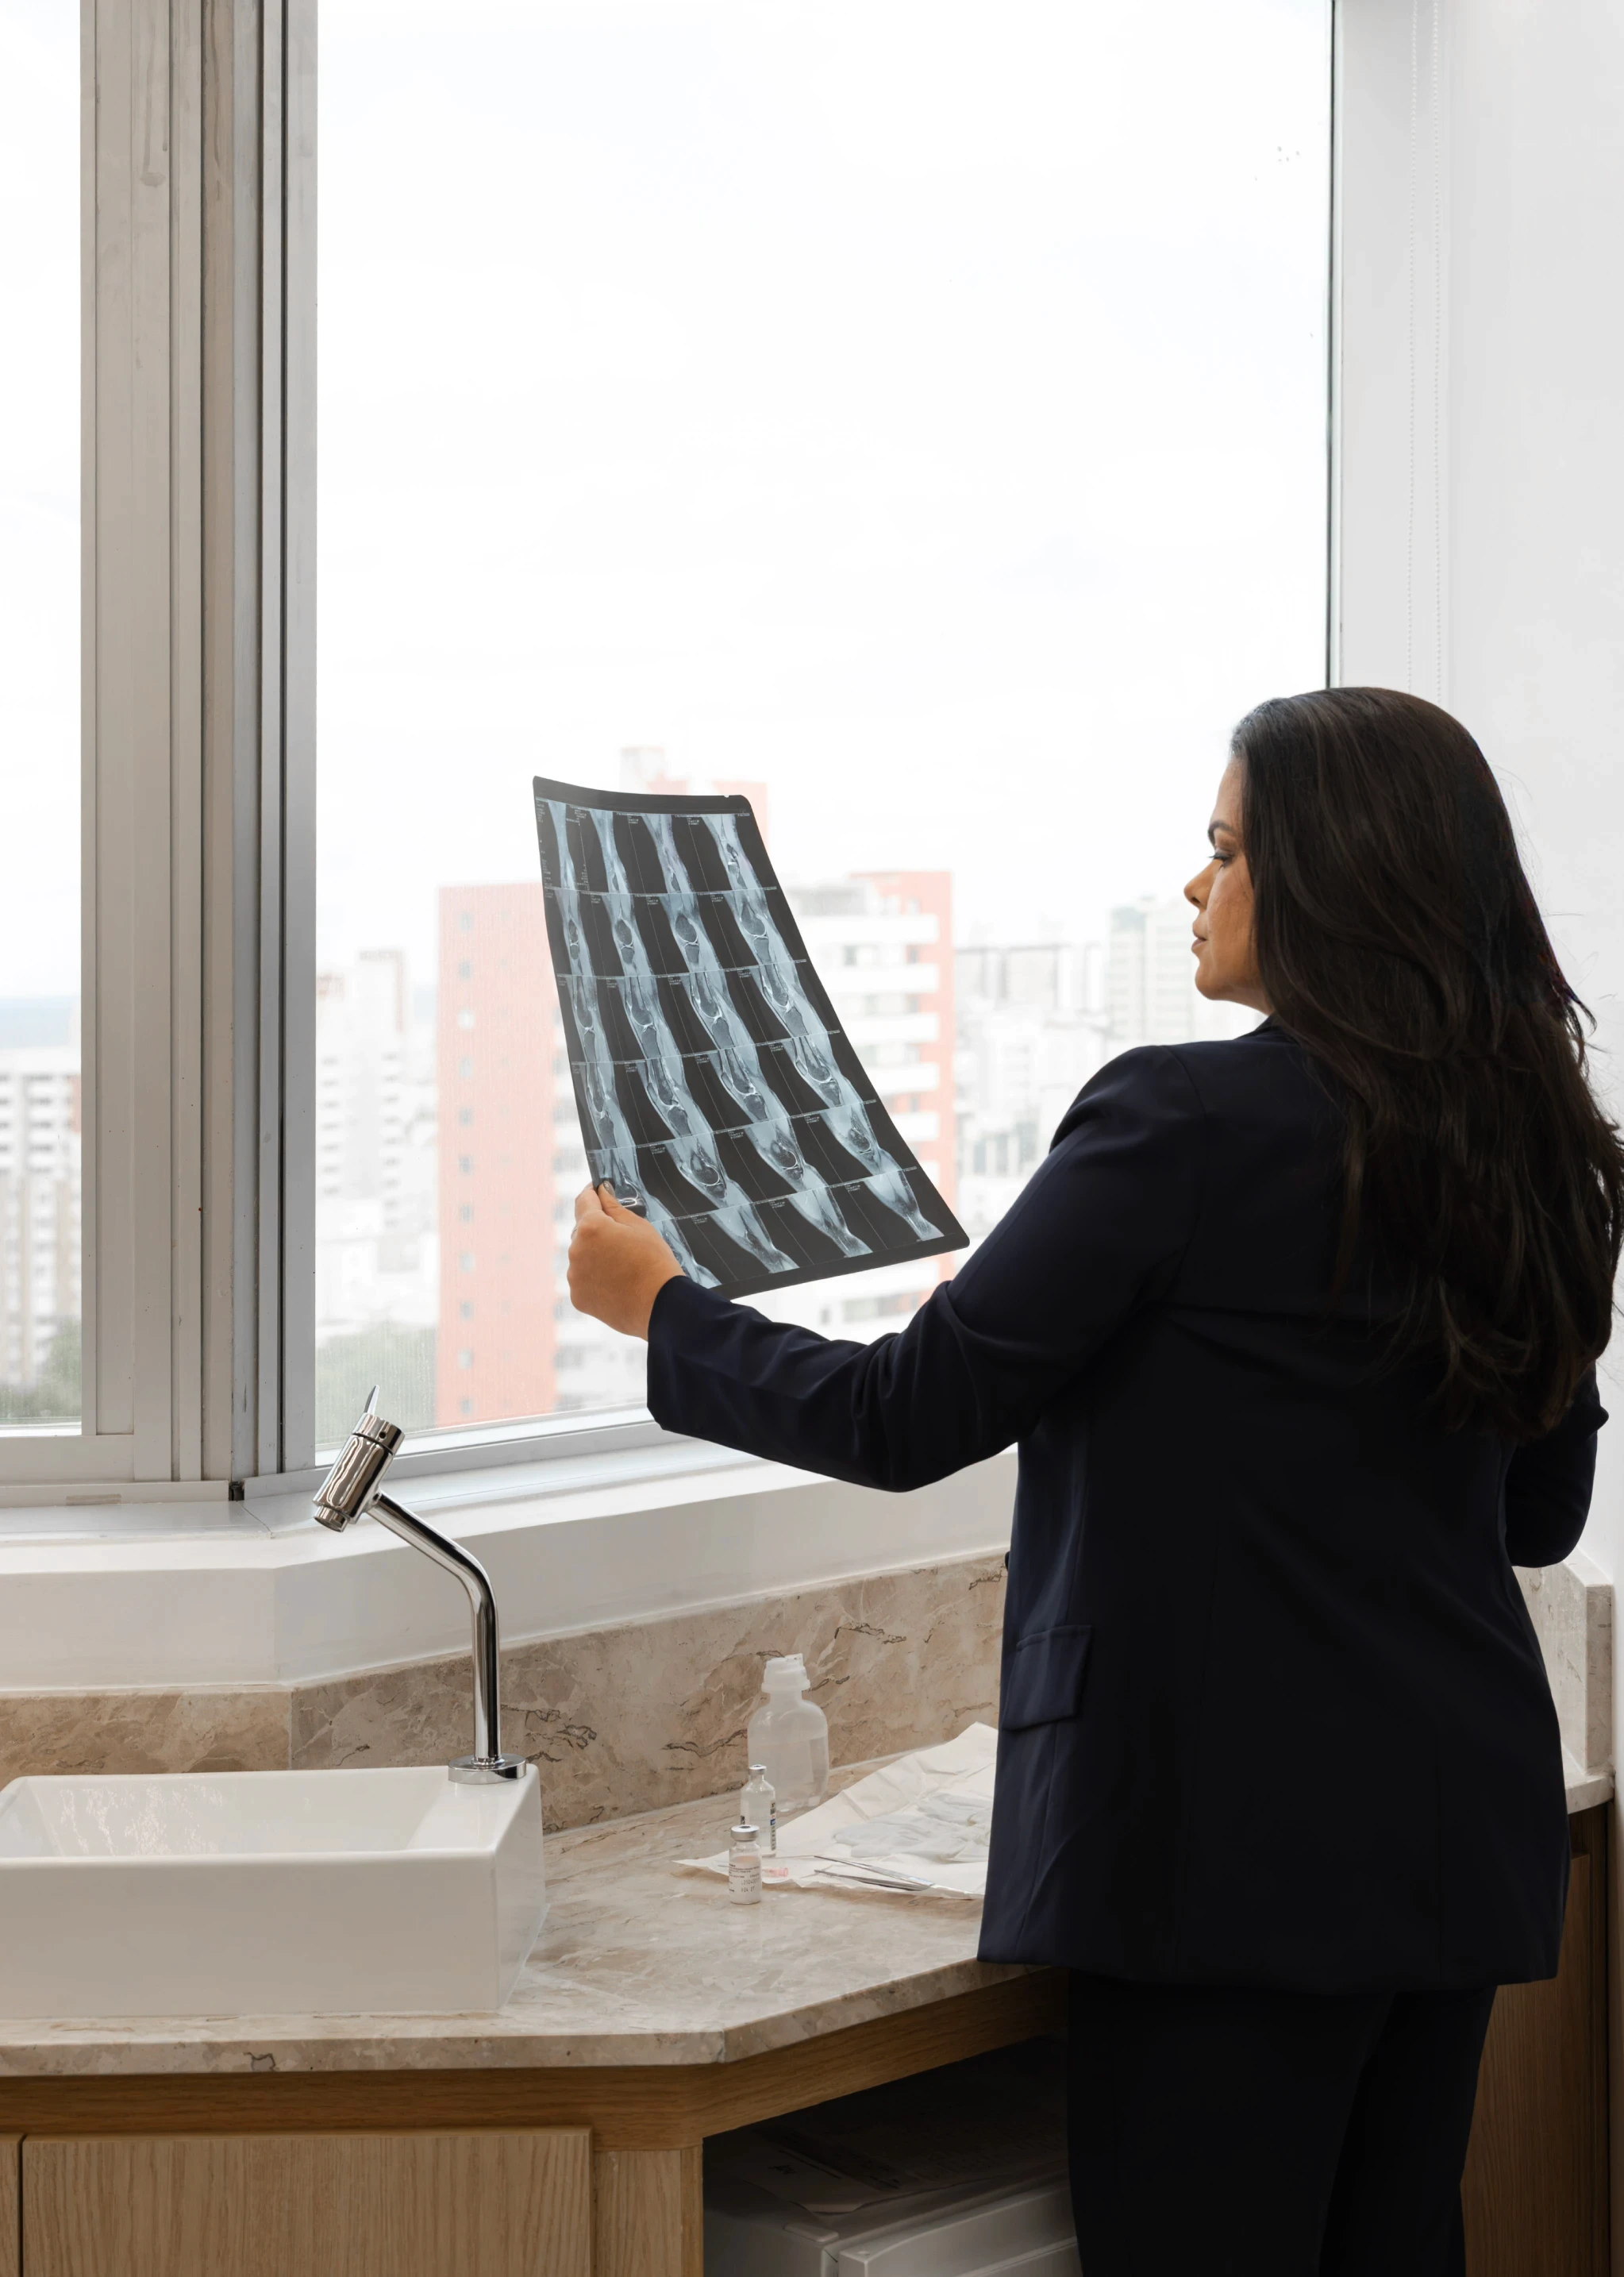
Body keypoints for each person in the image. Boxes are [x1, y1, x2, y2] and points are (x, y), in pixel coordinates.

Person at [565, 686, 1622, 2275]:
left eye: (1225, 849)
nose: (1196, 885)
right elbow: (1532, 1517)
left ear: (1331, 878)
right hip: (1448, 1841)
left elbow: (902, 1417)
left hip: (1224, 1864)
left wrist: (662, 1308)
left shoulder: (1180, 1121)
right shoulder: (1538, 1148)